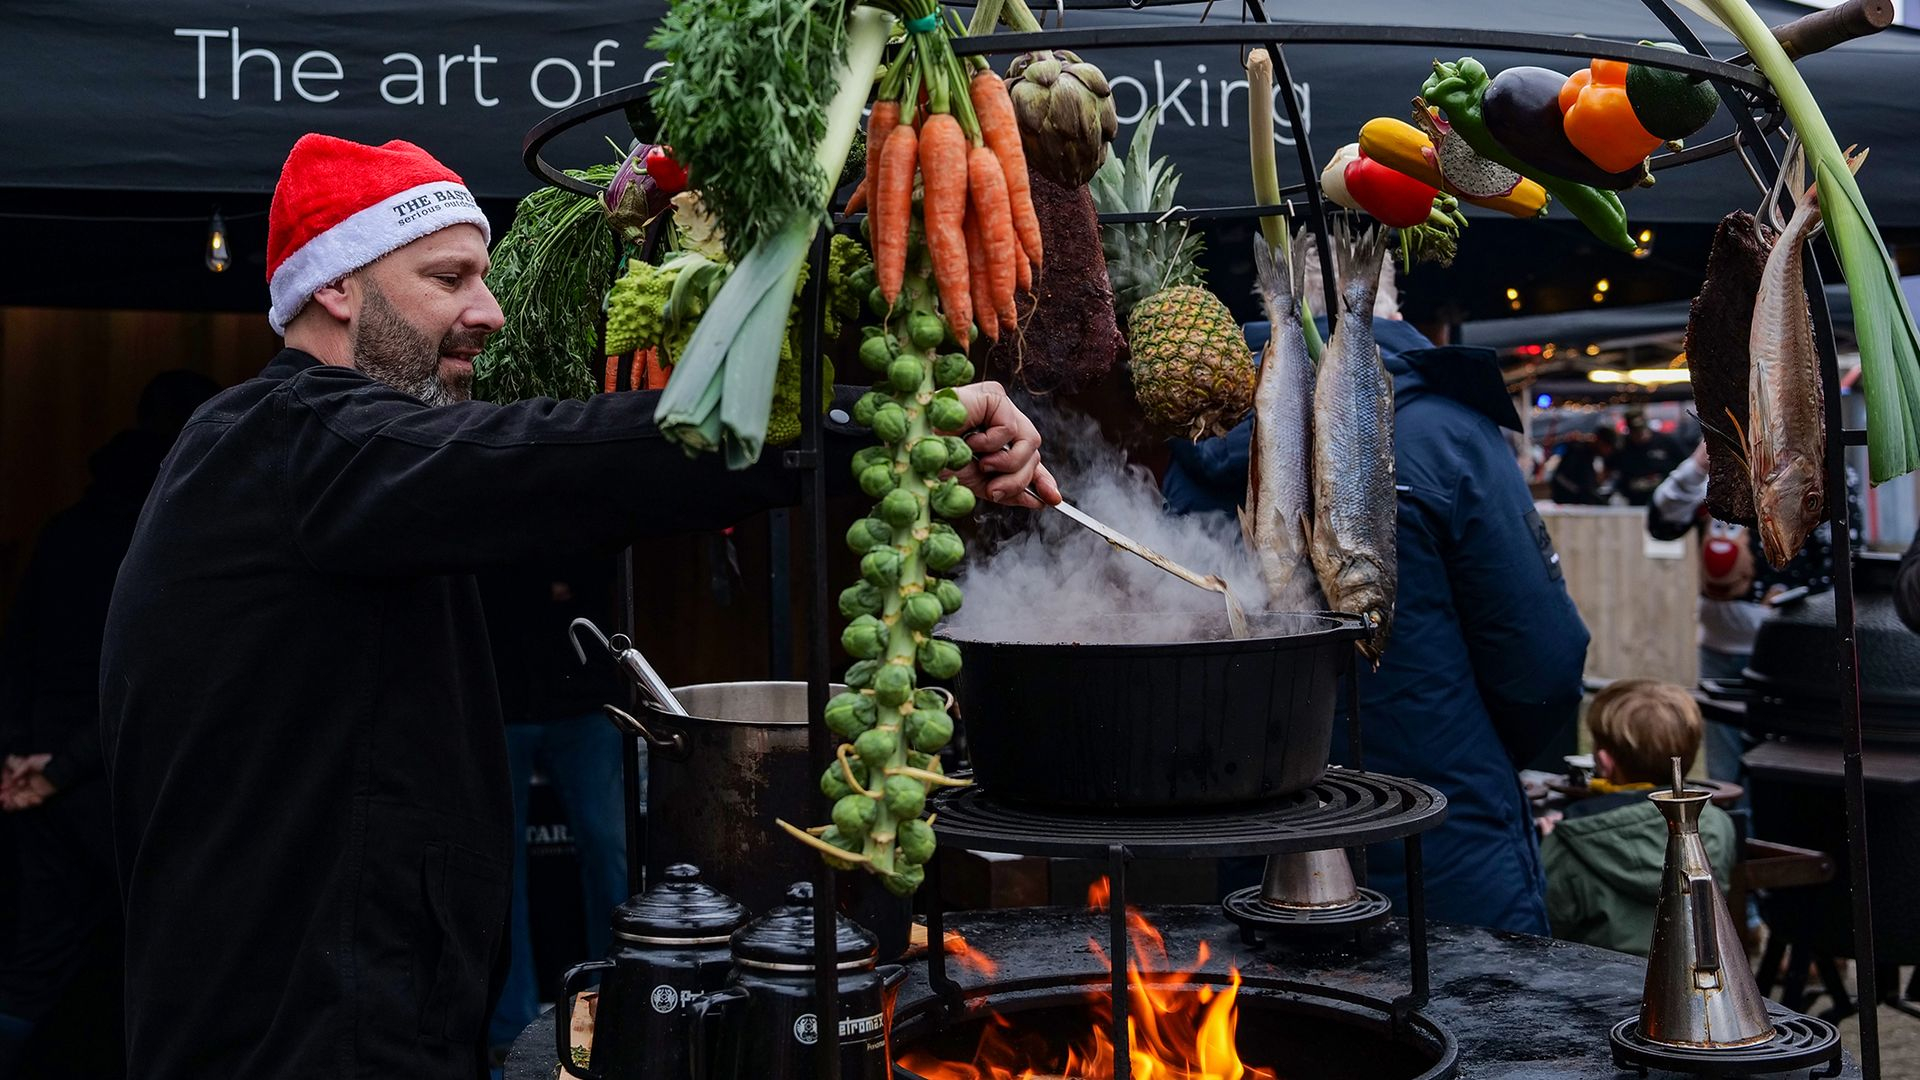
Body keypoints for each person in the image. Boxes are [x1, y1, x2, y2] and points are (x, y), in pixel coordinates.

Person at [98, 134, 1058, 1080]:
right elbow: (542, 458)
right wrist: (875, 429)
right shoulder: (288, 440)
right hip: (295, 1041)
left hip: (364, 1018)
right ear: (337, 288)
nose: (491, 312)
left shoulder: (338, 461)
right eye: (449, 278)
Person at [1164, 257, 1589, 935]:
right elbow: (1544, 660)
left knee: (1275, 1034)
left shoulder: (1200, 444)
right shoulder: (1451, 432)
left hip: (1263, 849)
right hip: (1443, 848)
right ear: (1392, 308)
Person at [0, 370, 217, 1076]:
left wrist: (23, 763)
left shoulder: (69, 528)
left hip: (48, 777)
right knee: (170, 959)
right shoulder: (175, 534)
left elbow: (22, 648)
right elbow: (151, 677)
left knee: (40, 959)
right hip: (125, 778)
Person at [478, 553, 631, 1061]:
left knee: (609, 845)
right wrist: (545, 583)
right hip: (498, 691)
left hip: (582, 696)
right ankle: (510, 1027)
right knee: (499, 863)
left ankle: (614, 1008)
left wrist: (542, 581)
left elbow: (602, 559)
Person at [1541, 678, 1735, 956]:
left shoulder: (1570, 842)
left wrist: (1547, 848)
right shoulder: (1719, 826)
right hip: (1694, 990)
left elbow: (1547, 927)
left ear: (1605, 762)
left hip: (1599, 988)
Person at [1611, 409, 1685, 506]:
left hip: (1665, 497)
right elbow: (1614, 470)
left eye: (1641, 431)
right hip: (1635, 498)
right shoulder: (1624, 447)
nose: (1639, 436)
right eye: (1635, 433)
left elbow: (1684, 462)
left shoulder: (1665, 442)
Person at [1548, 426, 1615, 506]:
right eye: (1607, 447)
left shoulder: (1591, 457)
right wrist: (1582, 493)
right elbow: (1560, 478)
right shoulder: (1577, 452)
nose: (1608, 451)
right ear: (1600, 441)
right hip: (1568, 505)